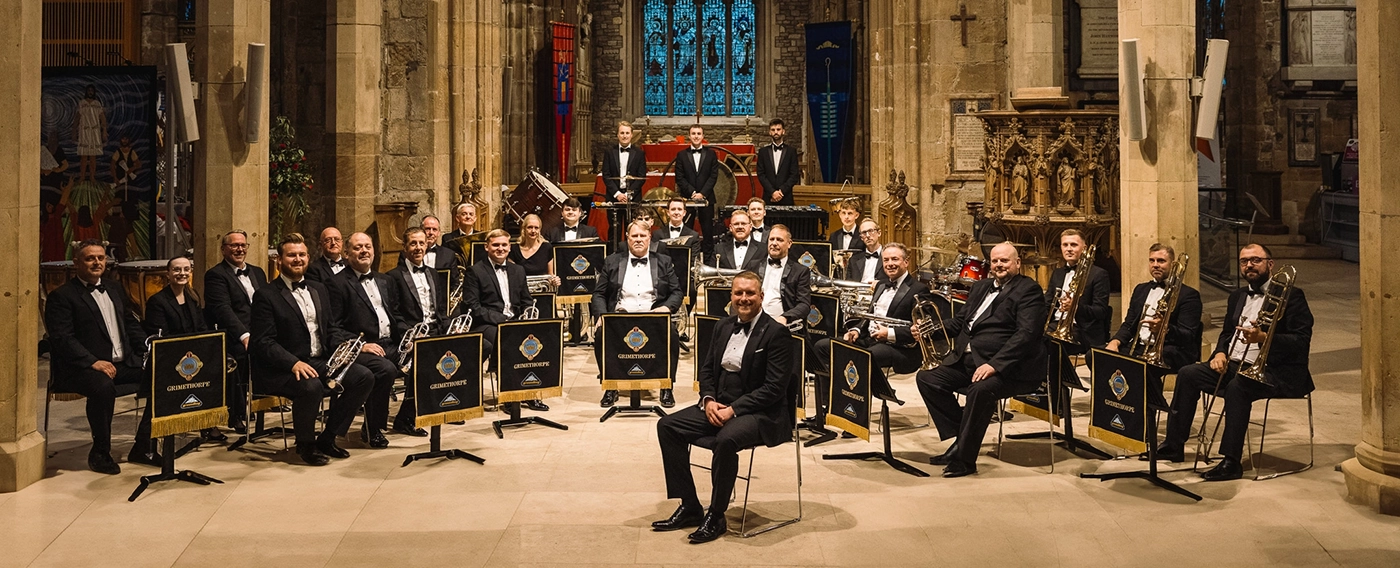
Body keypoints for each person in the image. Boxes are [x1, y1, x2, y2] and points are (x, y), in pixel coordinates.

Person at [652, 271, 795, 544]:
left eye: (750, 293)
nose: (744, 298)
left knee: (726, 439)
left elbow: (774, 389)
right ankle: (691, 506)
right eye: (738, 293)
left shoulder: (777, 333)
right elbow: (706, 370)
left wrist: (734, 410)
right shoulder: (723, 326)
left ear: (761, 297)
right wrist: (708, 400)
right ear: (731, 296)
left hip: (761, 412)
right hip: (719, 404)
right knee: (668, 426)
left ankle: (716, 515)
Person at [1156, 244, 1313, 482]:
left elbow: (1301, 341)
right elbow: (1227, 334)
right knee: (1189, 373)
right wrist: (1219, 354)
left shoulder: (1292, 296)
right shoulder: (1237, 296)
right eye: (1243, 261)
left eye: (1255, 260)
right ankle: (1173, 446)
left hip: (1276, 372)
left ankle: (1231, 462)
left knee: (1238, 387)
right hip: (1234, 364)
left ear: (1270, 264)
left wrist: (1264, 338)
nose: (1249, 265)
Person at [915, 242, 1047, 478]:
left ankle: (964, 460)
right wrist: (930, 330)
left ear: (1017, 263)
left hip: (1009, 369)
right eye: (995, 261)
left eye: (1004, 260)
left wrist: (995, 365)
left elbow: (1026, 335)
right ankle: (961, 441)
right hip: (968, 361)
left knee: (980, 391)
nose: (999, 265)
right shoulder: (981, 287)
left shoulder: (1029, 290)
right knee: (928, 378)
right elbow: (960, 323)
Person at [249, 233, 375, 466]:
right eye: (291, 255)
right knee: (311, 386)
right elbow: (263, 342)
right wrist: (293, 363)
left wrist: (346, 349)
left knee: (363, 377)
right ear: (279, 260)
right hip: (282, 368)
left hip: (319, 360)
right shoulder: (266, 295)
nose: (297, 259)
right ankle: (305, 445)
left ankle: (327, 438)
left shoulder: (318, 288)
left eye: (302, 255)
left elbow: (331, 328)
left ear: (308, 257)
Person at [44, 239, 148, 474]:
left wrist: (147, 350)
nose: (97, 262)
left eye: (101, 258)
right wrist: (93, 362)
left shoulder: (114, 288)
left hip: (121, 364)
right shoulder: (62, 296)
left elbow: (130, 324)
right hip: (80, 369)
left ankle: (144, 444)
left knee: (159, 376)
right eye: (90, 258)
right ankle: (100, 452)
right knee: (103, 387)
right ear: (77, 262)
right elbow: (62, 339)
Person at [811, 243, 929, 426]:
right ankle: (827, 406)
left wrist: (888, 333)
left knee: (863, 357)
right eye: (886, 260)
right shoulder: (881, 285)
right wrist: (856, 330)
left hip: (899, 347)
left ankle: (853, 415)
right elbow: (870, 316)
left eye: (895, 259)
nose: (889, 263)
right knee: (823, 347)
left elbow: (920, 329)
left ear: (906, 262)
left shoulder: (919, 289)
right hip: (869, 340)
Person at [327, 233, 409, 448]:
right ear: (346, 253)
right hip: (359, 348)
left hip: (389, 343)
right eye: (357, 247)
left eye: (368, 246)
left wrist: (410, 336)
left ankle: (406, 418)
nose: (364, 251)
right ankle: (374, 428)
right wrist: (361, 345)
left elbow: (396, 316)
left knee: (424, 358)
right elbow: (333, 326)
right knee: (386, 370)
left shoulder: (385, 280)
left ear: (374, 251)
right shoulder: (336, 283)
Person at [592, 220, 684, 408]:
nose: (639, 240)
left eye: (643, 236)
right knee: (601, 335)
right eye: (634, 236)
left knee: (673, 336)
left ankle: (666, 386)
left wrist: (666, 308)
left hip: (654, 316)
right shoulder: (612, 261)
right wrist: (601, 316)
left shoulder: (663, 261)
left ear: (650, 238)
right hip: (620, 317)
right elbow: (599, 293)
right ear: (627, 239)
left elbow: (677, 292)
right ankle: (611, 386)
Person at [143, 256, 228, 444]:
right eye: (176, 270)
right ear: (168, 274)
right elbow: (160, 336)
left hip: (193, 354)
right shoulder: (158, 301)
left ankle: (208, 423)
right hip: (171, 359)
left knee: (214, 372)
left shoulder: (193, 295)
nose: (182, 273)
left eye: (186, 269)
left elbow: (200, 326)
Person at [468, 229, 550, 412]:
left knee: (538, 337)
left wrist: (529, 314)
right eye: (496, 245)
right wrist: (502, 320)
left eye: (504, 245)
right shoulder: (475, 271)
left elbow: (526, 300)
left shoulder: (518, 270)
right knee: (507, 338)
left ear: (509, 247)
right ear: (487, 247)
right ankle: (509, 395)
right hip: (487, 324)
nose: (500, 249)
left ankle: (530, 391)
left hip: (515, 321)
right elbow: (474, 307)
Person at [1105, 243, 1203, 374]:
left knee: (1143, 367)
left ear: (1173, 265)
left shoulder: (1188, 295)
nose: (1155, 264)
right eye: (1152, 260)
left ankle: (1150, 395)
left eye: (1161, 261)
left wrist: (1164, 329)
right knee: (1096, 356)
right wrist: (1115, 342)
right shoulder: (1140, 289)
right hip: (1140, 346)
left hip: (1171, 349)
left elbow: (1188, 335)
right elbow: (1129, 323)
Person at [204, 229, 265, 432]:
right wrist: (244, 335)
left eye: (243, 245)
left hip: (259, 332)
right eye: (234, 245)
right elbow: (223, 310)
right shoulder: (215, 275)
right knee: (240, 355)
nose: (239, 249)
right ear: (223, 250)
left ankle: (265, 402)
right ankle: (236, 413)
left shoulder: (258, 272)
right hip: (231, 336)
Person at [387, 226, 444, 437]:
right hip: (412, 336)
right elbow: (394, 315)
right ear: (404, 247)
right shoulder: (393, 276)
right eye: (413, 243)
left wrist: (448, 329)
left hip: (435, 331)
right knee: (421, 368)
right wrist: (410, 334)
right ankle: (405, 418)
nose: (418, 247)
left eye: (421, 243)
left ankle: (442, 406)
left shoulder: (433, 273)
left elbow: (439, 309)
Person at [1044, 229, 1111, 351]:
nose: (1068, 249)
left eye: (1073, 245)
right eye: (1065, 245)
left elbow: (1101, 311)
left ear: (1084, 248)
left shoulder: (1099, 274)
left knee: (1048, 343)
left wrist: (1074, 306)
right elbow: (1047, 304)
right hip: (1056, 324)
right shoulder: (1057, 273)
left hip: (1083, 329)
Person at [673, 124, 719, 253]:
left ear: (703, 136)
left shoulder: (711, 154)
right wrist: (692, 193)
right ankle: (687, 258)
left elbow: (713, 176)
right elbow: (680, 177)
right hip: (688, 198)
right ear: (689, 136)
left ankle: (708, 261)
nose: (696, 136)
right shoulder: (681, 155)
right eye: (693, 133)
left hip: (707, 198)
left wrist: (702, 193)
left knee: (708, 232)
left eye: (699, 134)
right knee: (686, 231)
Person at [755, 225, 811, 330]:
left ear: (789, 243)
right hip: (755, 325)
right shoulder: (754, 266)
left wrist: (785, 318)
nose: (774, 243)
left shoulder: (800, 271)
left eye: (779, 240)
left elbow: (804, 305)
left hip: (783, 328)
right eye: (771, 239)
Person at [756, 118, 799, 205]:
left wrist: (781, 192)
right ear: (769, 132)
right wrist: (772, 192)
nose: (776, 132)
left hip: (786, 197)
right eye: (773, 130)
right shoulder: (763, 152)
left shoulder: (791, 151)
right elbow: (761, 174)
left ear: (783, 131)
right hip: (768, 197)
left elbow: (794, 175)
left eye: (778, 129)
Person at [603, 121, 648, 203]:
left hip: (633, 198)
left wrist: (628, 195)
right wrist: (617, 194)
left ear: (631, 135)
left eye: (627, 133)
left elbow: (641, 177)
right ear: (617, 135)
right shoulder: (609, 152)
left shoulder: (639, 153)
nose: (624, 136)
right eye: (622, 133)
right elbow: (606, 175)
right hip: (614, 198)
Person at [846, 219, 886, 284]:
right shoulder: (853, 260)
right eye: (864, 233)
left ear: (879, 233)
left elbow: (896, 279)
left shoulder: (889, 256)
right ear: (861, 238)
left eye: (870, 231)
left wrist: (880, 284)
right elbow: (848, 283)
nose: (867, 235)